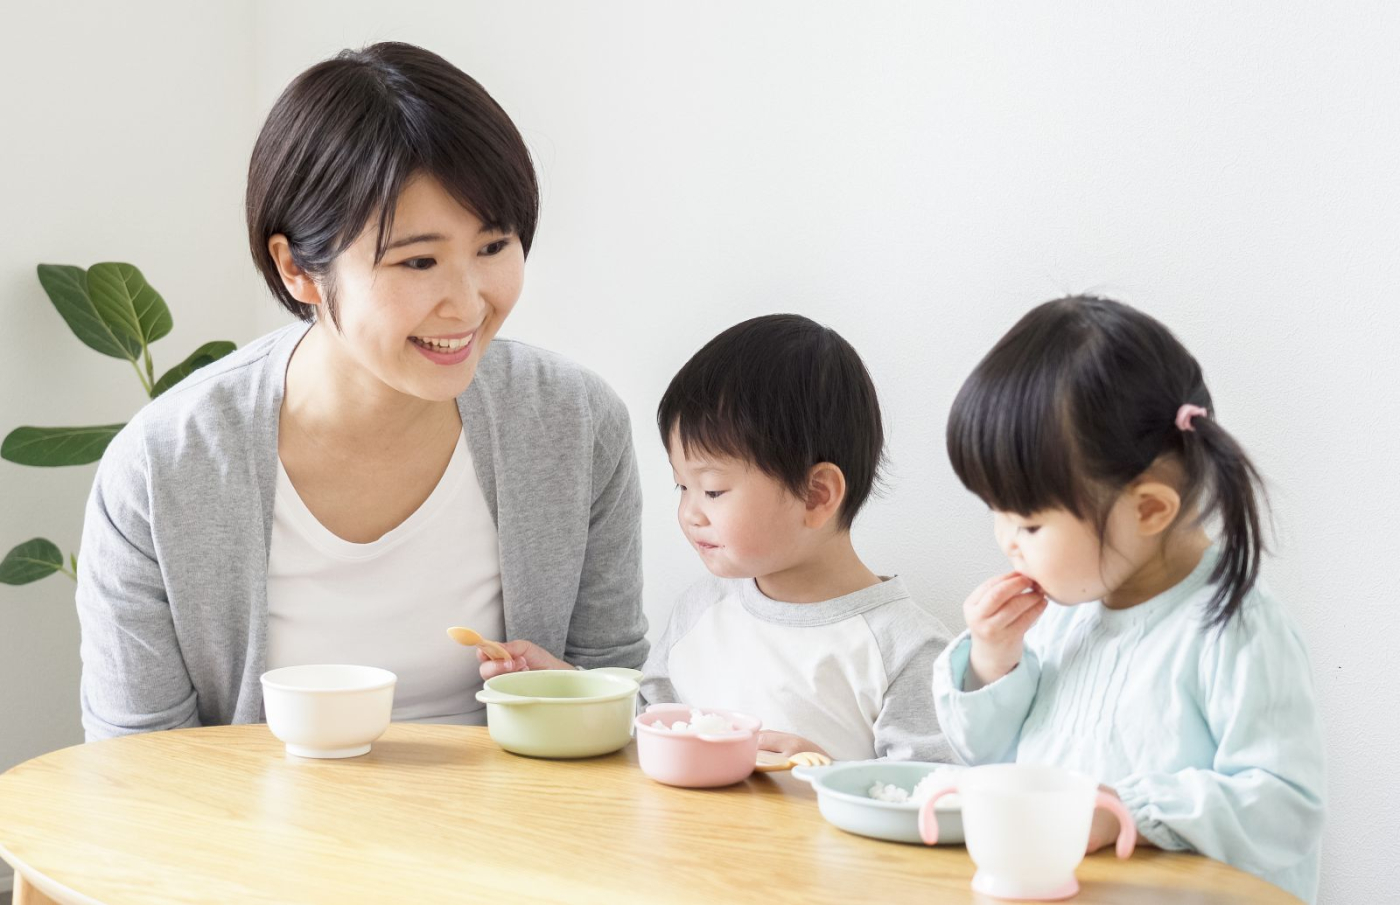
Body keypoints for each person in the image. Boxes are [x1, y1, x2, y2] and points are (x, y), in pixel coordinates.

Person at [77, 42, 646, 738]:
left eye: (493, 246)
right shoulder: (164, 470)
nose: (467, 304)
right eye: (418, 260)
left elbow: (621, 709)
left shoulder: (575, 426)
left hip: (512, 839)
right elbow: (136, 776)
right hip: (254, 846)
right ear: (298, 270)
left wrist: (580, 703)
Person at [932, 295, 1324, 902]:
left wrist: (1128, 811)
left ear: (1148, 509)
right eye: (996, 513)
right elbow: (994, 762)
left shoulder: (1235, 628)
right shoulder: (1065, 614)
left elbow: (1283, 808)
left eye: (1029, 524)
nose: (1006, 542)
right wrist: (993, 661)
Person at [641, 314, 952, 762]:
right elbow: (644, 730)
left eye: (712, 490)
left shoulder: (907, 650)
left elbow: (932, 802)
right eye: (681, 487)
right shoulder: (700, 610)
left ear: (815, 495)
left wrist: (827, 778)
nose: (689, 513)